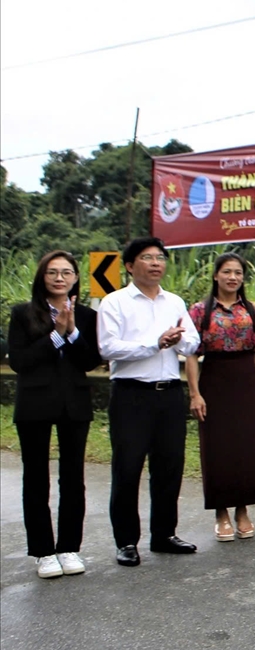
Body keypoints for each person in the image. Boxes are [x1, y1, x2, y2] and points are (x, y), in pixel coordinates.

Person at [96, 237, 200, 566]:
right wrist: (154, 344)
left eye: (160, 258)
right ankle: (126, 541)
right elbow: (108, 348)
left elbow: (193, 341)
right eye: (147, 258)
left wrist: (179, 340)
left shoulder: (174, 301)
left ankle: (164, 534)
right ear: (130, 266)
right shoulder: (115, 302)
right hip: (131, 394)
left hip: (168, 392)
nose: (156, 263)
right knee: (128, 468)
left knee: (169, 466)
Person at [7, 251, 102, 578]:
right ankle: (44, 552)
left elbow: (91, 361)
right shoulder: (23, 314)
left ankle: (69, 547)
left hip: (74, 403)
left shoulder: (87, 316)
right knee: (35, 477)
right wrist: (57, 334)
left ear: (76, 278)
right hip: (34, 403)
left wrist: (73, 332)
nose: (59, 278)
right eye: (52, 272)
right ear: (42, 277)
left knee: (73, 477)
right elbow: (19, 361)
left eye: (66, 272)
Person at [184, 252, 255, 542]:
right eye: (227, 272)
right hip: (214, 379)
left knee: (245, 447)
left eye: (238, 273)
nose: (233, 277)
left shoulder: (253, 310)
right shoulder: (199, 311)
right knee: (217, 447)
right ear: (215, 275)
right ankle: (221, 512)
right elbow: (192, 355)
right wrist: (195, 393)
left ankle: (243, 510)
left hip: (245, 378)